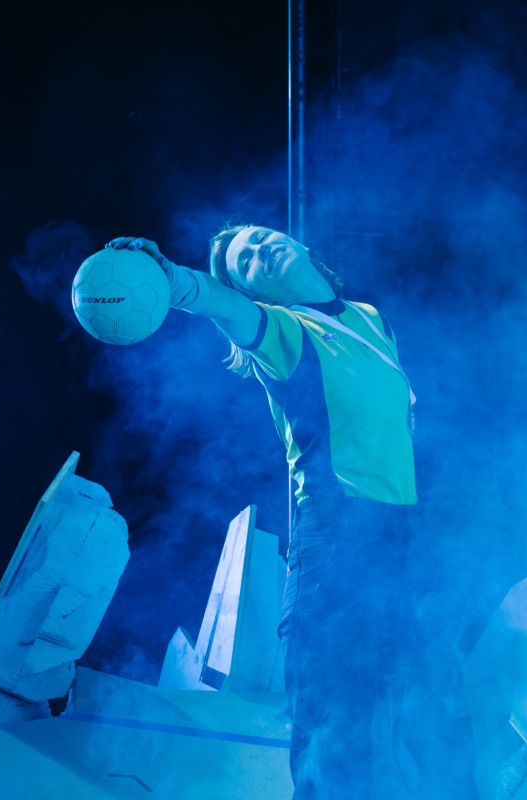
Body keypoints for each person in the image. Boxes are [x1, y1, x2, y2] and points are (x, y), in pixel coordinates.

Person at [107, 226, 418, 799]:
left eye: (259, 238)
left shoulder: (371, 318)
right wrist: (166, 278)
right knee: (335, 728)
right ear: (254, 292)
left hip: (402, 539)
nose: (258, 250)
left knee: (402, 719)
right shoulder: (282, 332)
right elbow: (216, 301)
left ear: (297, 243)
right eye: (244, 261)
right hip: (338, 536)